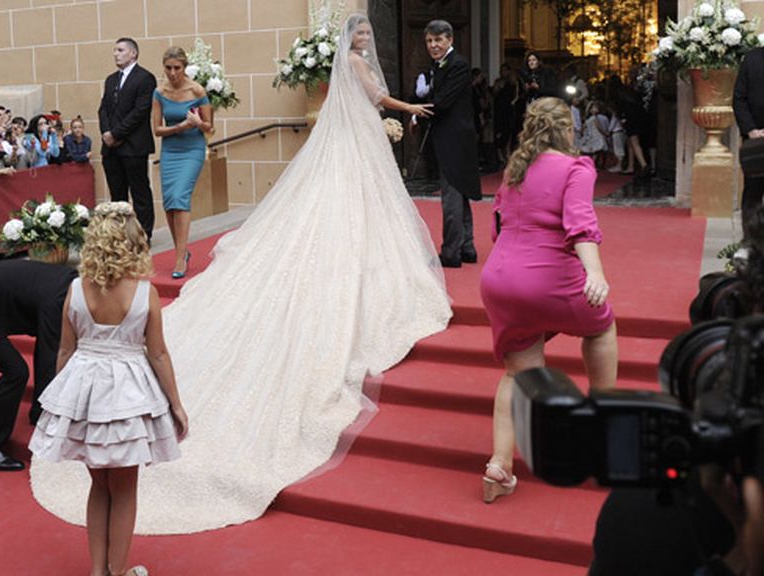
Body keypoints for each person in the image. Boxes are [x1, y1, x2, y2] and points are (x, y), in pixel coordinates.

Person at [32, 13, 451, 534]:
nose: (364, 40)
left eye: (366, 34)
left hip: (346, 139)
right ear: (351, 42)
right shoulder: (359, 66)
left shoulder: (350, 65)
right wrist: (407, 108)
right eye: (360, 34)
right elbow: (376, 99)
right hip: (354, 138)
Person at [29, 201, 187, 576]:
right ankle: (118, 573)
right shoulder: (144, 292)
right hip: (128, 393)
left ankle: (99, 572)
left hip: (84, 387)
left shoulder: (75, 289)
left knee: (99, 486)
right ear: (133, 241)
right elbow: (159, 354)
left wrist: (63, 406)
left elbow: (65, 350)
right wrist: (176, 404)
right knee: (125, 488)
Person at [479, 97, 618, 502]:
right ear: (568, 130)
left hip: (500, 279)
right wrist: (594, 272)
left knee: (517, 373)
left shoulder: (515, 168)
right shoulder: (576, 168)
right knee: (601, 327)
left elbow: (496, 226)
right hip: (546, 277)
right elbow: (580, 224)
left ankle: (499, 467)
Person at [0, 260, 79, 471]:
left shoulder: (69, 283)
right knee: (16, 372)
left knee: (40, 350)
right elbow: (49, 357)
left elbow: (47, 346)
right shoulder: (59, 298)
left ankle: (38, 411)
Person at [419, 20, 482, 268]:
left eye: (438, 40)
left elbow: (443, 102)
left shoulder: (458, 64)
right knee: (459, 191)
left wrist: (416, 112)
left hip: (455, 138)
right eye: (429, 41)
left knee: (452, 195)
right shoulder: (439, 65)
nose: (433, 45)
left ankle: (451, 252)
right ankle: (467, 247)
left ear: (450, 40)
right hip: (451, 136)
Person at [152, 46, 213, 279]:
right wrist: (179, 127)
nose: (172, 73)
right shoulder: (159, 92)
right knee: (169, 203)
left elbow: (210, 127)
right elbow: (157, 130)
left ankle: (179, 257)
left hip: (192, 150)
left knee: (179, 197)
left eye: (177, 68)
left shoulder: (197, 90)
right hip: (170, 150)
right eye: (168, 68)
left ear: (184, 67)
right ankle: (182, 251)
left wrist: (197, 123)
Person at [98, 37, 157, 240]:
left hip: (133, 145)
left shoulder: (145, 78)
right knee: (117, 195)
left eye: (120, 50)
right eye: (115, 50)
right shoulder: (110, 79)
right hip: (111, 148)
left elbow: (140, 112)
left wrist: (117, 134)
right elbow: (103, 109)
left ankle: (143, 235)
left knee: (140, 192)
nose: (116, 53)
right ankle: (120, 235)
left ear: (133, 53)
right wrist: (106, 133)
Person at [735, 46, 764, 237]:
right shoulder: (752, 59)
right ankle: (750, 242)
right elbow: (739, 98)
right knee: (753, 193)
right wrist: (751, 130)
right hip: (756, 142)